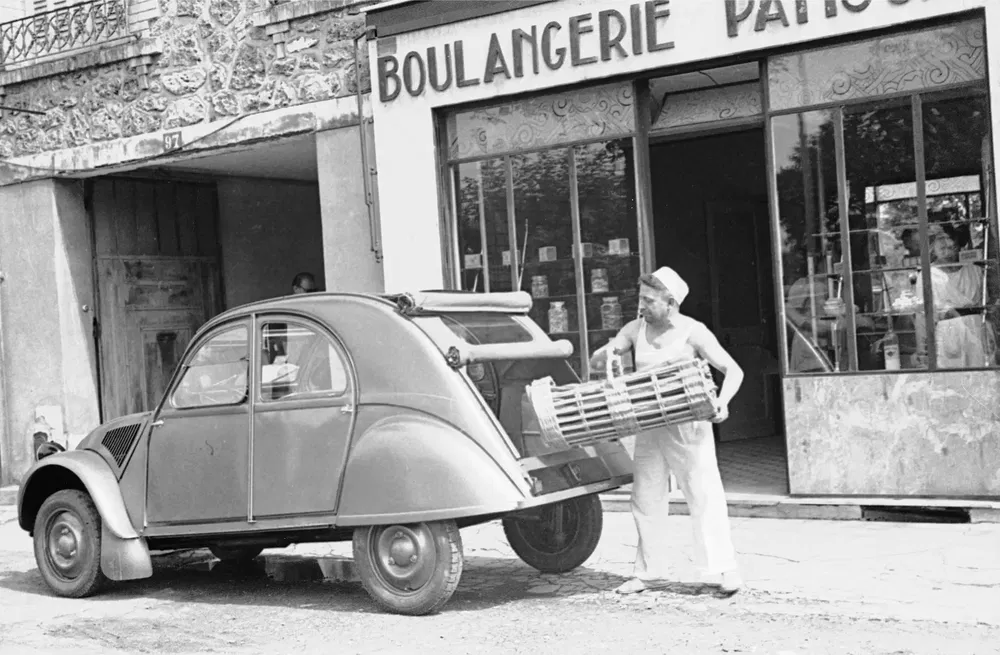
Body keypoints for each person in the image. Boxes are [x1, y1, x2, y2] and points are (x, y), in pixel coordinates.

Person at [589, 266, 745, 596]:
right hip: (649, 428)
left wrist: (724, 402)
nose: (641, 306)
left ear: (670, 302)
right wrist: (608, 353)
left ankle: (722, 569)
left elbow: (733, 370)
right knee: (645, 498)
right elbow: (601, 359)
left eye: (648, 300)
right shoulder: (634, 329)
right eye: (641, 299)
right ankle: (649, 573)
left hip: (689, 429)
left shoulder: (694, 331)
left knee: (704, 496)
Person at [915, 224, 996, 368]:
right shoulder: (928, 275)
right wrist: (923, 351)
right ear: (934, 250)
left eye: (952, 247)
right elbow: (923, 315)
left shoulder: (975, 271)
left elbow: (987, 306)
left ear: (958, 246)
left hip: (977, 331)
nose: (948, 253)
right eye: (942, 249)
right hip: (948, 334)